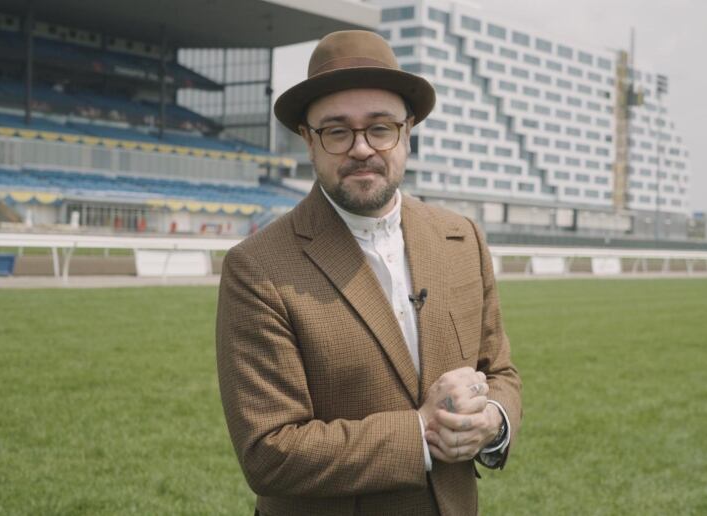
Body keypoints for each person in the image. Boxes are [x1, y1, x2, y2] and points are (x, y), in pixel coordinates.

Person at [216, 30, 522, 516]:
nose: (361, 148)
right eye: (337, 131)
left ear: (408, 129)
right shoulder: (257, 267)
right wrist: (419, 433)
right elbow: (268, 452)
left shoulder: (463, 238)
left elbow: (499, 371)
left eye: (380, 127)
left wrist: (494, 421)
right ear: (307, 141)